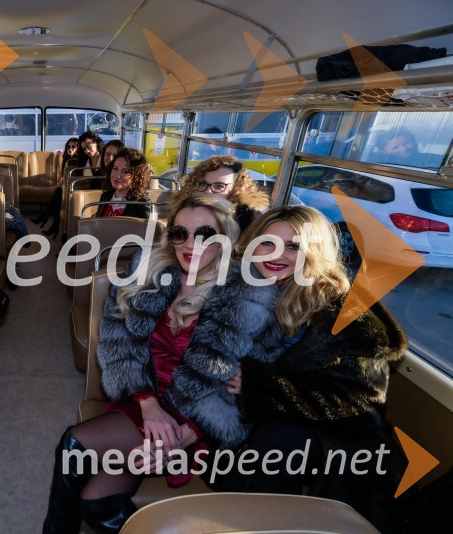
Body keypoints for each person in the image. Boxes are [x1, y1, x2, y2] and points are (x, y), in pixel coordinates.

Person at [174, 205, 408, 533]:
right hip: (259, 423)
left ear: (315, 253)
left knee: (280, 437)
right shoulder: (242, 287)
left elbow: (359, 404)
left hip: (334, 442)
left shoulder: (346, 318)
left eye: (294, 246)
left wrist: (260, 387)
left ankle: (253, 523)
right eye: (268, 242)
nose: (277, 254)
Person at [42, 194, 240, 534]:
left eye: (204, 233)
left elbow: (236, 394)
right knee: (82, 467)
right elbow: (118, 346)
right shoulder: (148, 274)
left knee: (93, 493)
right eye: (180, 233)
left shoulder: (241, 296)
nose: (190, 244)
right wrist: (147, 403)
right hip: (143, 399)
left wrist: (181, 437)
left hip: (194, 418)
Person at [170, 155, 269, 232]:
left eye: (219, 186)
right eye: (202, 184)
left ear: (236, 189)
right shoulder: (184, 209)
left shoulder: (246, 219)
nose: (208, 191)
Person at [33, 137, 82, 231]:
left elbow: (75, 177)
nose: (70, 149)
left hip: (74, 188)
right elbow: (65, 175)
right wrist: (62, 180)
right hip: (66, 186)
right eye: (68, 146)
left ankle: (47, 219)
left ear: (78, 148)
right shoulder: (67, 159)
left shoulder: (77, 161)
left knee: (58, 193)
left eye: (73, 147)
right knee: (58, 195)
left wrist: (64, 181)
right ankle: (53, 224)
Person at [95, 147, 152, 219]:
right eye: (115, 169)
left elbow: (151, 229)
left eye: (125, 171)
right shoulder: (106, 196)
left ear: (136, 176)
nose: (117, 176)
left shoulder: (142, 203)